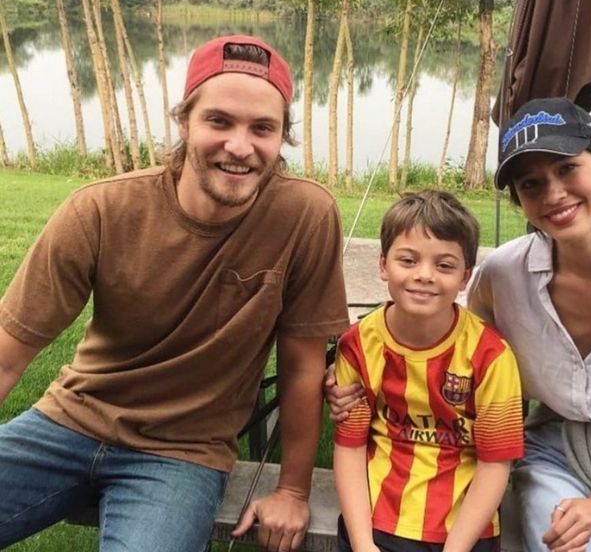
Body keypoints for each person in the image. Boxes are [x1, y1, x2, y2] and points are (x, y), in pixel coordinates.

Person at [328, 97, 591, 552]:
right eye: (531, 183)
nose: (553, 193)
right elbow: (450, 349)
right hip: (554, 457)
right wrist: (352, 372)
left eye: (567, 168)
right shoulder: (503, 275)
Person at [0, 35, 350, 552]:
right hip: (65, 423)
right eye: (219, 121)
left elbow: (301, 368)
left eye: (262, 128)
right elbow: (8, 356)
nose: (239, 146)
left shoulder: (305, 216)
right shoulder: (99, 211)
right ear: (184, 122)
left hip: (182, 456)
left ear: (282, 137)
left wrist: (293, 489)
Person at [333, 190, 524, 552]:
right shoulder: (358, 344)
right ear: (383, 264)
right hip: (376, 522)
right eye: (408, 260)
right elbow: (350, 448)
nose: (424, 275)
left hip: (464, 531)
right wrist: (362, 545)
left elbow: (495, 463)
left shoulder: (491, 355)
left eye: (444, 265)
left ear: (466, 277)